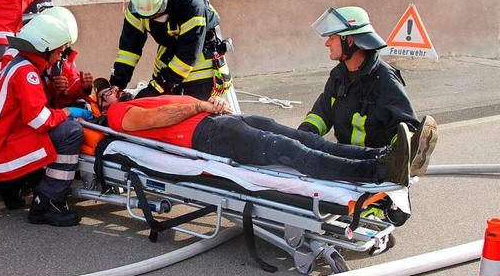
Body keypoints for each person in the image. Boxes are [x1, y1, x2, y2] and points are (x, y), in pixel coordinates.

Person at [93, 79, 431, 187]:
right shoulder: (116, 114)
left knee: (306, 140)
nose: (112, 90)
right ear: (102, 105)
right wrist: (200, 107)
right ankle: (380, 170)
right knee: (292, 152)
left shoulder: (141, 96)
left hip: (220, 123)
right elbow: (151, 122)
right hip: (207, 136)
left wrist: (210, 105)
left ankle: (388, 155)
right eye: (104, 92)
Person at [0, 13, 90, 227]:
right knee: (71, 131)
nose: (59, 58)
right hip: (5, 151)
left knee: (60, 128)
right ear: (45, 49)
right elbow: (40, 120)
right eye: (58, 52)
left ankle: (16, 189)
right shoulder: (27, 73)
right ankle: (47, 204)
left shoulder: (19, 64)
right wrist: (69, 113)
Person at [299, 6, 438, 177]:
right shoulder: (339, 76)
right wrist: (301, 137)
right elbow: (321, 114)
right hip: (343, 159)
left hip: (376, 165)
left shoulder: (385, 80)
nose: (327, 43)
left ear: (348, 40)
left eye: (332, 38)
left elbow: (405, 127)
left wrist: (401, 155)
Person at [109, 0, 227, 101]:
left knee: (198, 115)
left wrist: (157, 87)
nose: (152, 18)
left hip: (200, 65)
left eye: (156, 14)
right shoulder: (138, 7)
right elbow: (129, 49)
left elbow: (188, 54)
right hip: (168, 59)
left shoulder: (191, 5)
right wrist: (117, 83)